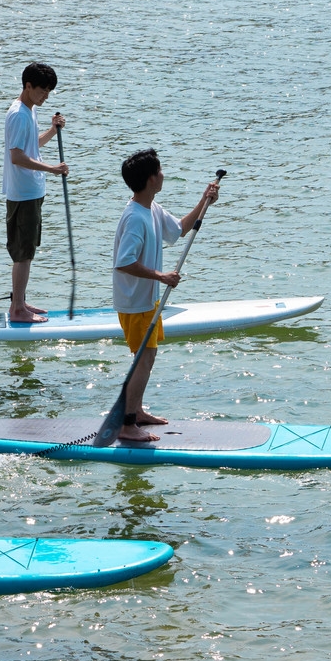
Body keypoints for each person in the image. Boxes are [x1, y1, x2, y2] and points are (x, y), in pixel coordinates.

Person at [111, 150, 221, 442]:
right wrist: (161, 276)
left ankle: (137, 411)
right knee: (142, 360)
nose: (163, 175)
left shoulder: (152, 209)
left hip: (148, 300)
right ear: (150, 180)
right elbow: (123, 261)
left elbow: (179, 230)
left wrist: (204, 201)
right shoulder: (135, 217)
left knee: (148, 356)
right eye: (159, 171)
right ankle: (126, 424)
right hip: (134, 302)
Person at [2, 61, 69, 323]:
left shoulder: (29, 110)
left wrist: (52, 131)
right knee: (23, 253)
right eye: (43, 90)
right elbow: (17, 157)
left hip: (32, 190)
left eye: (49, 92)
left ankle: (20, 301)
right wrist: (52, 169)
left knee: (27, 251)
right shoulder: (18, 114)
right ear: (28, 86)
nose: (46, 96)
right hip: (23, 193)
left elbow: (31, 145)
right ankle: (17, 309)